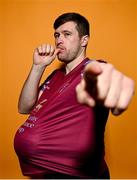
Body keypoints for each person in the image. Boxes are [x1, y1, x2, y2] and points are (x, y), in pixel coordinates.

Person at [14, 12, 135, 179]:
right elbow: (24, 107)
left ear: (84, 40)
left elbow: (101, 77)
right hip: (47, 173)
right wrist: (37, 67)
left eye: (67, 34)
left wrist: (112, 86)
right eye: (57, 35)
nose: (59, 40)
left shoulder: (93, 69)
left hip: (79, 175)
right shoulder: (55, 76)